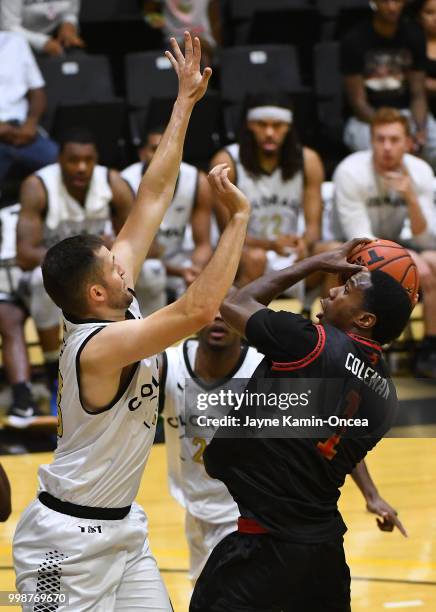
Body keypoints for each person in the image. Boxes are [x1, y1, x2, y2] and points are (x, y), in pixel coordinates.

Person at [13, 33, 250, 611]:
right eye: (112, 263)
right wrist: (237, 220)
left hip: (121, 529)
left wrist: (184, 103)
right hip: (61, 545)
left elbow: (151, 195)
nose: (125, 262)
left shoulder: (119, 303)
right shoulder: (97, 345)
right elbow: (197, 309)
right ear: (97, 291)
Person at [190, 239, 414, 612]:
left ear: (365, 320)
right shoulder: (386, 397)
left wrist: (312, 263)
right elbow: (330, 432)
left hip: (265, 548)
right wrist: (371, 495)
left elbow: (233, 304)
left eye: (346, 288)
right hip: (322, 552)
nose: (332, 289)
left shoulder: (309, 343)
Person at [160, 315, 406, 584]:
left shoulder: (261, 368)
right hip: (196, 510)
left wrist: (371, 494)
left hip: (249, 511)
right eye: (212, 309)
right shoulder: (171, 364)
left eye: (225, 310)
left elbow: (326, 427)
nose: (219, 318)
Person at [16, 127, 166, 400]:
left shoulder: (113, 182)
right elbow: (24, 254)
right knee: (40, 280)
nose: (81, 167)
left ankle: (151, 350)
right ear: (59, 160)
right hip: (61, 278)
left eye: (88, 160)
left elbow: (149, 245)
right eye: (73, 160)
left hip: (99, 274)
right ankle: (53, 370)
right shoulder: (38, 187)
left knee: (155, 272)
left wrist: (106, 251)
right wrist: (82, 254)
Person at [333, 107, 436, 377]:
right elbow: (360, 239)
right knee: (337, 262)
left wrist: (411, 198)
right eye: (380, 139)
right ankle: (341, 350)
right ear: (371, 141)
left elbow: (426, 237)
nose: (387, 147)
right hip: (344, 246)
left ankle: (430, 349)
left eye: (394, 139)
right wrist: (409, 259)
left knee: (433, 262)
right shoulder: (351, 171)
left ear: (408, 143)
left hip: (396, 245)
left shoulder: (420, 171)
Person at [210, 92, 337, 296]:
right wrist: (269, 245)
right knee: (256, 258)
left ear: (288, 127)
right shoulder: (227, 161)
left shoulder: (309, 160)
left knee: (334, 252)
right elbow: (227, 233)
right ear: (249, 125)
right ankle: (242, 322)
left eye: (277, 125)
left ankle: (328, 326)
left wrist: (304, 243)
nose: (270, 132)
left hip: (289, 254)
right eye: (262, 124)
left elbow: (314, 228)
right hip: (245, 254)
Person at [122, 125, 212, 296]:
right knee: (152, 272)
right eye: (155, 149)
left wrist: (196, 269)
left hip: (180, 261)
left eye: (171, 148)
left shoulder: (197, 180)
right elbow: (128, 249)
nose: (163, 155)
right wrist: (179, 272)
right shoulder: (125, 183)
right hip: (140, 266)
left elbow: (203, 244)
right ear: (142, 153)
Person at [341, 0, 432, 158]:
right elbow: (358, 102)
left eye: (396, 1)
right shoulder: (354, 39)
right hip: (367, 117)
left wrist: (420, 130)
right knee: (382, 150)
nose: (392, 7)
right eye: (385, 1)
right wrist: (392, 128)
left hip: (406, 112)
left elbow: (418, 94)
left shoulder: (415, 35)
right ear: (374, 2)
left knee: (431, 143)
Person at [0, 203, 54, 429]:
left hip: (49, 284)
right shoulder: (11, 215)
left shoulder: (48, 211)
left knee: (42, 284)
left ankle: (55, 377)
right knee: (7, 318)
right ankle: (23, 399)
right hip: (9, 285)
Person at [0, 31, 58, 185]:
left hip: (21, 130)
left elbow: (37, 91)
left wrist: (31, 124)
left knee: (60, 163)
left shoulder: (16, 42)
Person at [143, 0, 221, 65]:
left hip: (204, 37)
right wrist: (157, 22)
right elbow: (148, 13)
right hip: (175, 38)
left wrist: (215, 42)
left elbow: (216, 19)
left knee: (197, 50)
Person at [1, 0, 85, 56]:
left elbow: (70, 11)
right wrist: (42, 43)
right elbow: (8, 27)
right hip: (17, 43)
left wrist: (68, 24)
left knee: (81, 64)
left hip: (56, 37)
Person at [409, 0, 436, 167]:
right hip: (419, 109)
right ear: (418, 16)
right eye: (429, 13)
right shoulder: (411, 41)